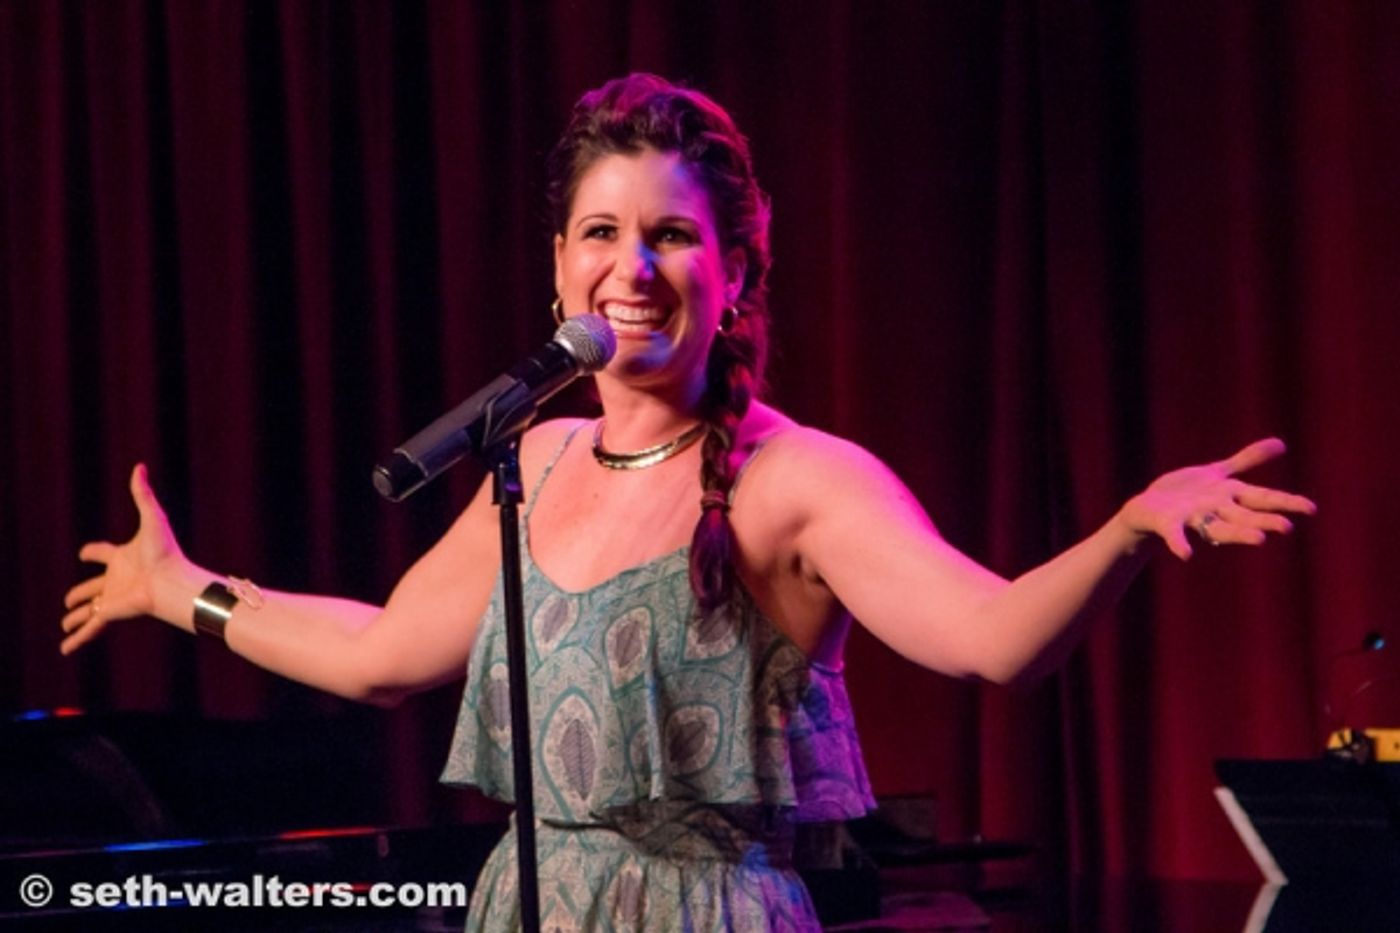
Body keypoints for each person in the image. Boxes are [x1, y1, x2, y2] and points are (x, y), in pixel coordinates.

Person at [60, 73, 1316, 931]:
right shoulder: (537, 458)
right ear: (559, 264)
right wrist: (183, 592)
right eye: (600, 232)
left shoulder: (796, 480)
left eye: (670, 235)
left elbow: (990, 640)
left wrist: (1125, 530)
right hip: (531, 905)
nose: (631, 266)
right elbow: (381, 652)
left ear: (735, 267)